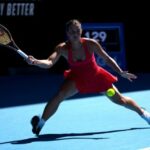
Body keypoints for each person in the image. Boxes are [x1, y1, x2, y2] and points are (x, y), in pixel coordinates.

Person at [27, 19, 150, 136]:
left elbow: (107, 58)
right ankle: (40, 123)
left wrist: (120, 72)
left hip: (97, 77)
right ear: (67, 33)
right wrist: (36, 62)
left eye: (77, 31)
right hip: (76, 79)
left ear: (81, 31)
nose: (75, 34)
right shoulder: (62, 48)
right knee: (59, 95)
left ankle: (144, 113)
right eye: (72, 31)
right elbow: (49, 62)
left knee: (120, 100)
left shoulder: (91, 44)